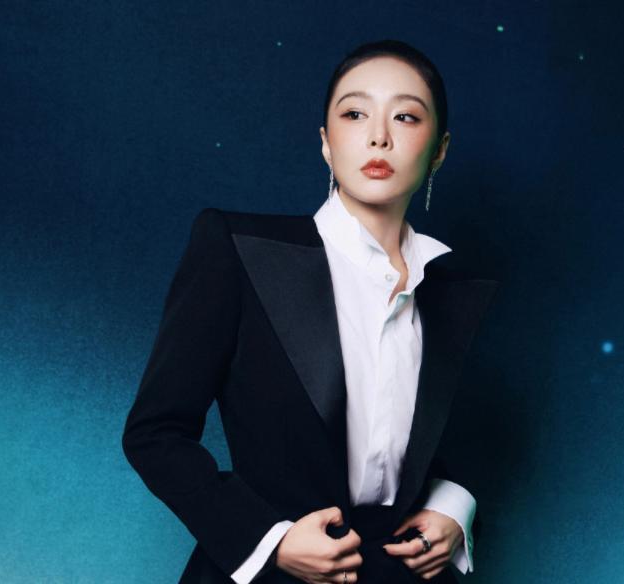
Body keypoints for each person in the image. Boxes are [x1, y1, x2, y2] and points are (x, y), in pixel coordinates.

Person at [121, 39, 500, 583]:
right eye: (355, 114)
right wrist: (268, 539)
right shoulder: (238, 250)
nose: (378, 136)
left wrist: (455, 506)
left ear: (439, 150)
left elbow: (451, 438)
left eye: (405, 116)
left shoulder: (449, 292)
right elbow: (155, 433)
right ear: (326, 142)